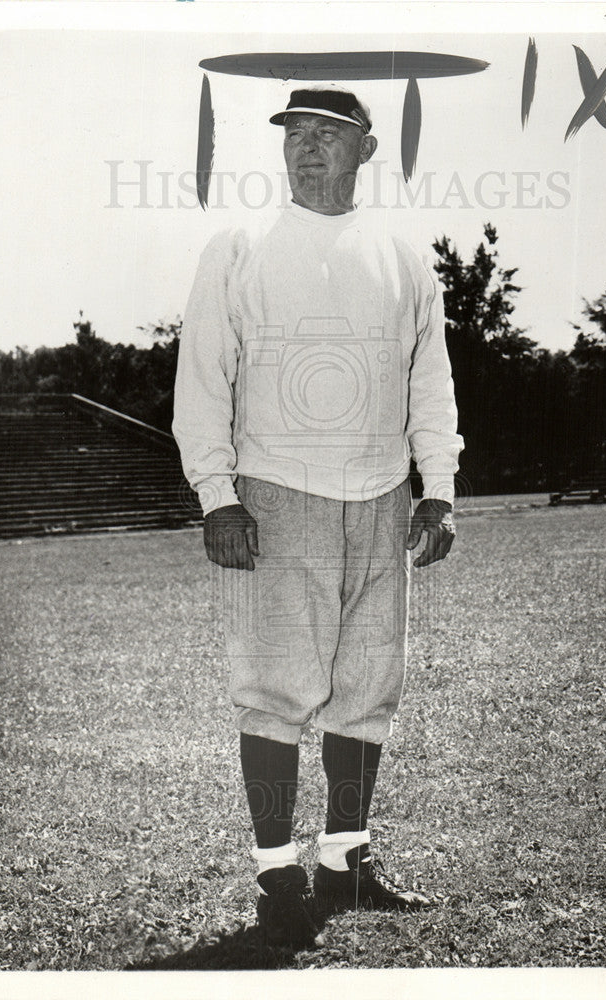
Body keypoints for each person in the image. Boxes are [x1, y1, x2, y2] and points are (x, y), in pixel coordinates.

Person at [172, 87, 464, 947]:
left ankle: (345, 861)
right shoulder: (238, 247)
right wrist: (217, 495)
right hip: (277, 490)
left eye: (327, 137)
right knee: (274, 693)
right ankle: (277, 875)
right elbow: (203, 377)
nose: (307, 151)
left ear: (364, 151)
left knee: (367, 688)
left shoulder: (404, 256)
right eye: (295, 135)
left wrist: (437, 485)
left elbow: (429, 379)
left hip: (380, 495)